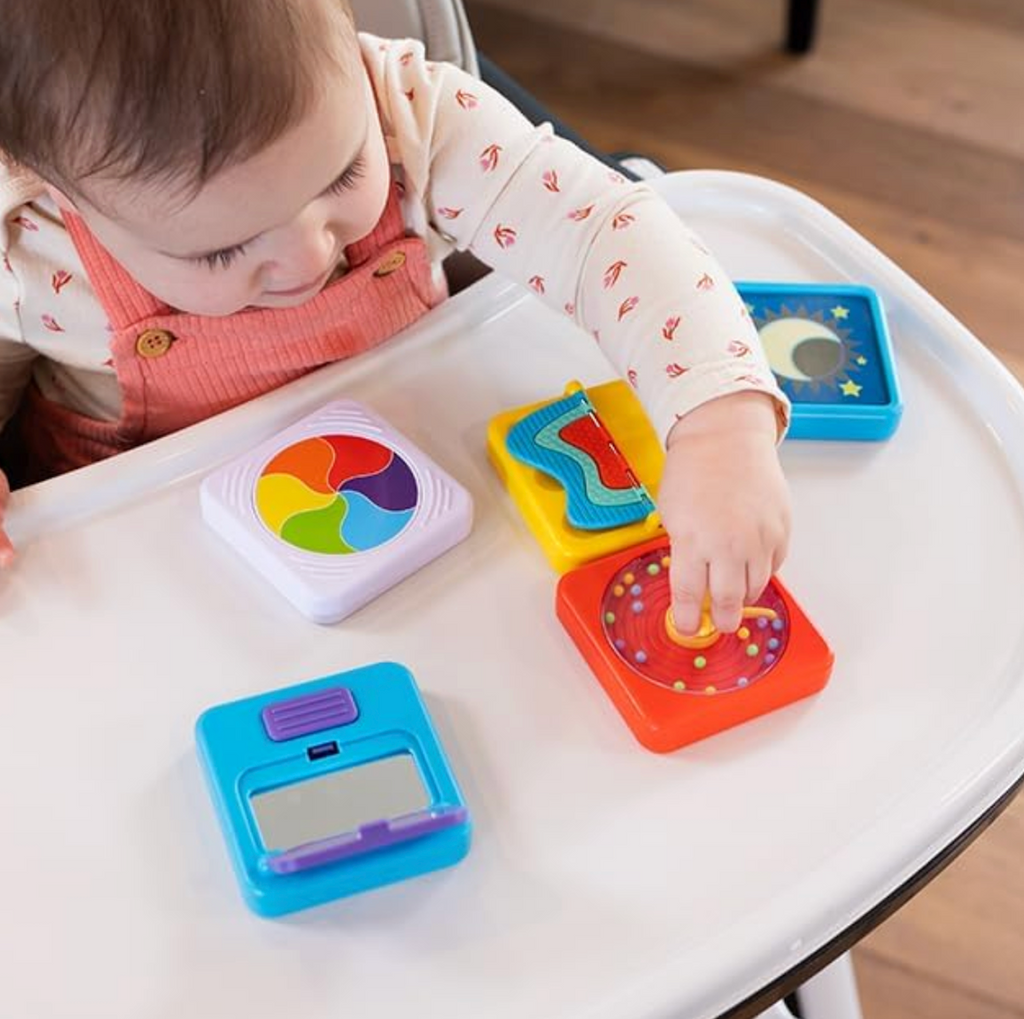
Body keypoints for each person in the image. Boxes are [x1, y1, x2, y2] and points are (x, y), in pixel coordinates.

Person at [0, 0, 790, 636]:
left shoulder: (412, 117)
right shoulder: (27, 248)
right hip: (166, 586)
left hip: (428, 500)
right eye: (223, 251)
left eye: (343, 172)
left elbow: (604, 234)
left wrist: (719, 425)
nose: (310, 258)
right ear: (60, 192)